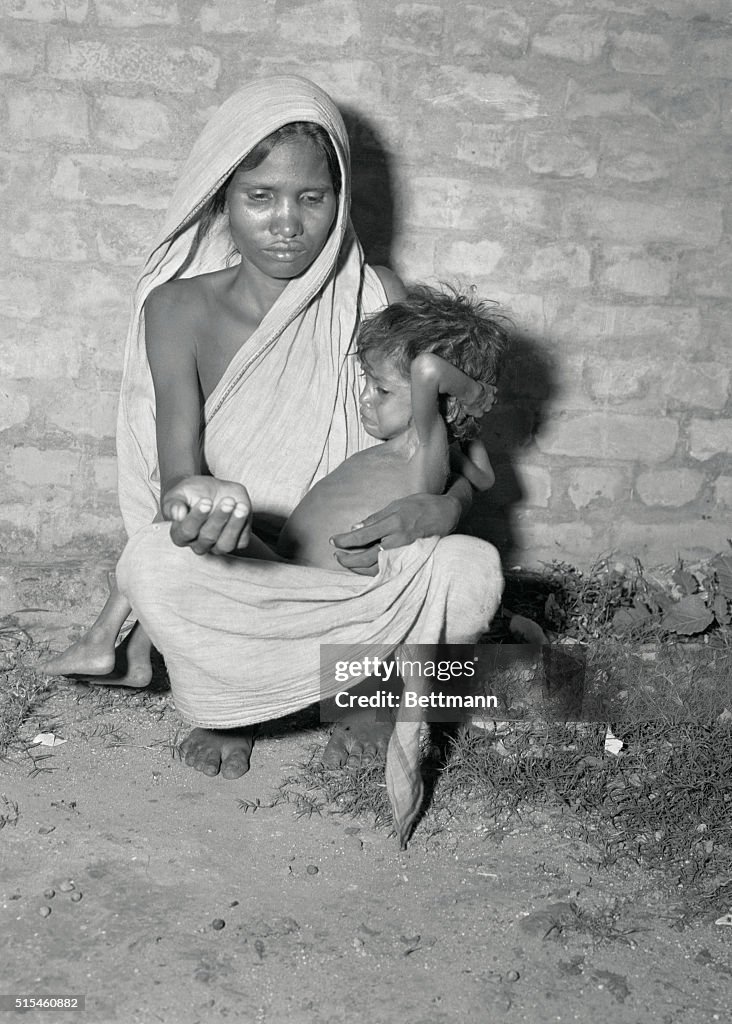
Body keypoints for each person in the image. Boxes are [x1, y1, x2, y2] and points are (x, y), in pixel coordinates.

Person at [45, 78, 504, 810]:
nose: (286, 223)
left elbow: (453, 444)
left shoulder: (374, 295)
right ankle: (235, 706)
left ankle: (359, 691)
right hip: (248, 571)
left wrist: (443, 512)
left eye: (312, 198)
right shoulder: (176, 307)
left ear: (340, 198)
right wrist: (198, 506)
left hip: (359, 572)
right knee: (155, 561)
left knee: (469, 566)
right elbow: (177, 472)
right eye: (259, 197)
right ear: (220, 199)